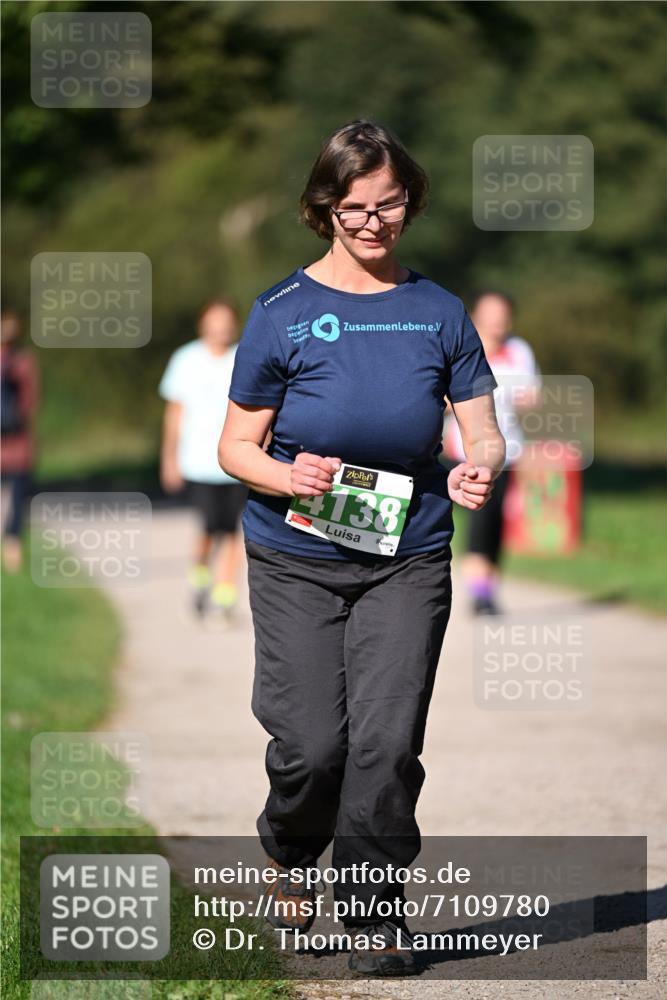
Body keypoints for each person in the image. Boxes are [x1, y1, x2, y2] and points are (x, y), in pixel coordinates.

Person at [218, 120, 505, 977]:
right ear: (323, 210)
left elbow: (483, 432)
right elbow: (232, 449)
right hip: (294, 555)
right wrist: (285, 476)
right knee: (312, 747)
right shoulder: (283, 313)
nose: (373, 222)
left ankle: (374, 915)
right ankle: (286, 847)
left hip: (408, 557)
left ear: (408, 201)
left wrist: (475, 469)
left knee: (384, 745)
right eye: (354, 208)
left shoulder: (439, 312)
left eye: (388, 204)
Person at [443, 291, 541, 615]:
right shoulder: (465, 348)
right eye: (490, 313)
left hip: (508, 451)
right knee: (479, 521)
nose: (497, 321)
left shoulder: (519, 351)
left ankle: (488, 589)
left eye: (502, 314)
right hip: (466, 451)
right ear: (476, 315)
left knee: (497, 523)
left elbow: (532, 395)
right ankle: (479, 593)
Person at [159, 299, 248, 620]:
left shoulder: (243, 357)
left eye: (226, 321)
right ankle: (200, 576)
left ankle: (225, 597)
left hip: (238, 463)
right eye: (214, 321)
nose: (220, 328)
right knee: (210, 527)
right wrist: (169, 458)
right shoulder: (185, 359)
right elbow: (175, 414)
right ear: (203, 324)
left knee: (236, 531)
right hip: (198, 461)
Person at [1, 309, 40, 574]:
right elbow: (30, 402)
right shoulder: (24, 362)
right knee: (17, 499)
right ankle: (12, 551)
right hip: (18, 443)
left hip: (13, 442)